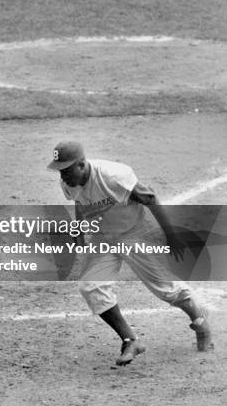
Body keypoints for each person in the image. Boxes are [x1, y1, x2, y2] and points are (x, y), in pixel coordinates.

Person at [48, 141, 213, 366]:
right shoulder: (69, 181)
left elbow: (150, 197)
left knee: (166, 290)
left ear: (82, 164)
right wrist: (79, 230)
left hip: (136, 232)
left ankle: (199, 319)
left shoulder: (113, 176)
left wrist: (171, 236)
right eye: (59, 170)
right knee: (90, 286)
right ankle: (130, 340)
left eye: (66, 170)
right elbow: (81, 202)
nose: (63, 176)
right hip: (104, 237)